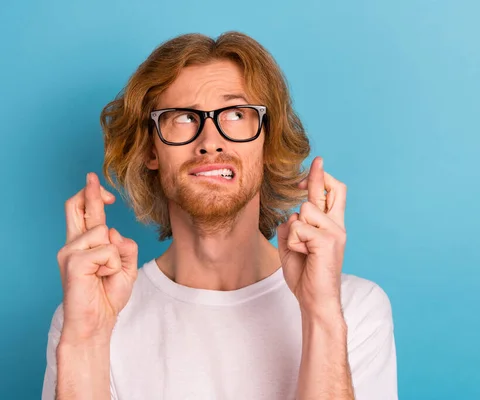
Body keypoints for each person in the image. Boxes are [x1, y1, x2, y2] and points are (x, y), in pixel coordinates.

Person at [42, 31, 397, 400]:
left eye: (236, 114)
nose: (210, 140)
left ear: (267, 142)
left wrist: (321, 313)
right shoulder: (91, 314)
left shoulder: (352, 308)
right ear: (151, 149)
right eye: (182, 118)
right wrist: (84, 341)